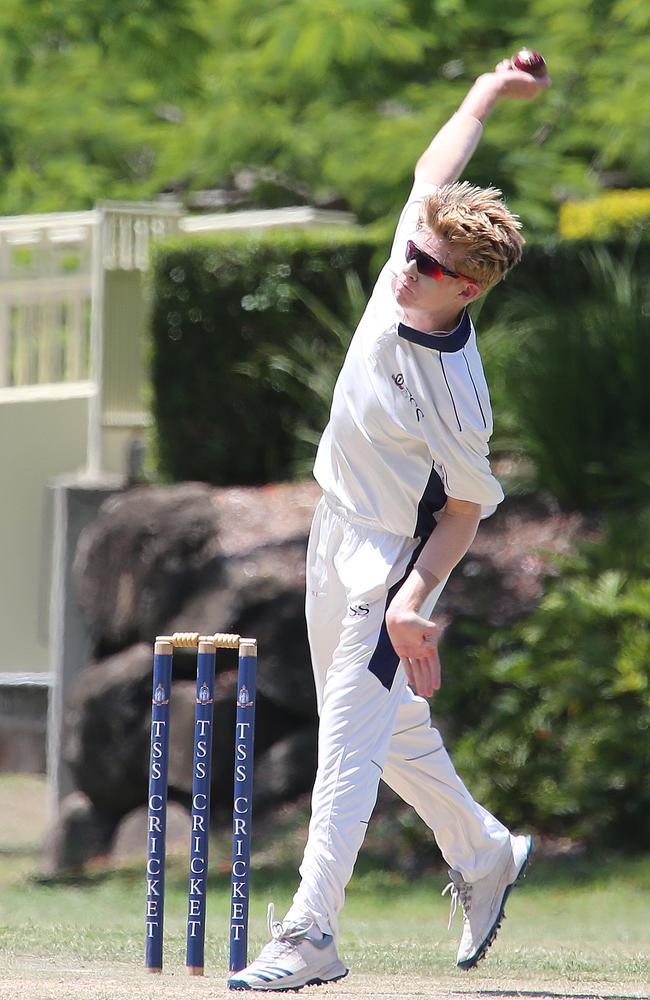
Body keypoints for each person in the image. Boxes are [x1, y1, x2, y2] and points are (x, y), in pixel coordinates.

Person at [228, 56, 551, 992]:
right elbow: (433, 172)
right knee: (383, 727)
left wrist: (414, 600)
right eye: (411, 253)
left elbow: (462, 512)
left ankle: (310, 934)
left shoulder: (459, 396)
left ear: (470, 291)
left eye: (432, 268)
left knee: (347, 742)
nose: (407, 268)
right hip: (334, 533)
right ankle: (485, 851)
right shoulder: (419, 246)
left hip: (392, 561)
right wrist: (489, 90)